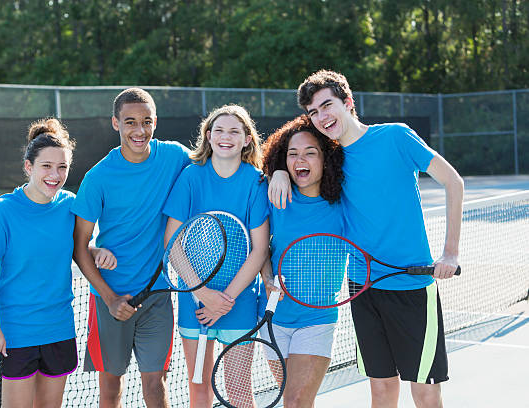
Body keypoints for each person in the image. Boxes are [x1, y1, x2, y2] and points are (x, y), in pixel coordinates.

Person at [269, 69, 464, 408]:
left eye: (327, 106)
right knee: (381, 390)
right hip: (363, 288)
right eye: (313, 112)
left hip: (412, 287)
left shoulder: (396, 138)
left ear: (348, 103)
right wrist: (280, 171)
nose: (322, 117)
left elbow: (454, 182)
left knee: (426, 393)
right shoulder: (332, 159)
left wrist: (449, 253)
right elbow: (295, 154)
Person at [0, 118, 116, 407]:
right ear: (29, 167)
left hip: (59, 329)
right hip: (16, 332)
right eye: (46, 166)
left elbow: (78, 247)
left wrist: (97, 251)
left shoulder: (70, 206)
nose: (55, 174)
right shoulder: (1, 212)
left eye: (62, 167)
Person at [71, 88, 191, 408]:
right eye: (130, 122)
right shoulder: (97, 177)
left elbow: (219, 163)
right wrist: (110, 299)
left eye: (147, 121)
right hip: (111, 298)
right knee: (111, 388)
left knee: (156, 383)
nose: (139, 131)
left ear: (155, 122)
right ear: (116, 123)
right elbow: (78, 247)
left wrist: (274, 172)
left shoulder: (175, 156)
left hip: (158, 293)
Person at [162, 104, 270, 407]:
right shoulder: (191, 177)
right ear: (208, 136)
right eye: (219, 130)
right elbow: (173, 239)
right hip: (194, 300)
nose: (226, 137)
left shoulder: (255, 182)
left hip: (239, 300)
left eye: (235, 131)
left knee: (238, 390)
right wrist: (202, 292)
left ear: (247, 139)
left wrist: (225, 300)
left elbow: (260, 249)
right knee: (199, 390)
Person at [259, 114, 344, 407]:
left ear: (326, 158)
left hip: (317, 319)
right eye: (292, 154)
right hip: (273, 318)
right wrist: (267, 277)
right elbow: (260, 250)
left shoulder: (344, 204)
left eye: (310, 152)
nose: (300, 160)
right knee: (293, 402)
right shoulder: (273, 196)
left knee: (295, 401)